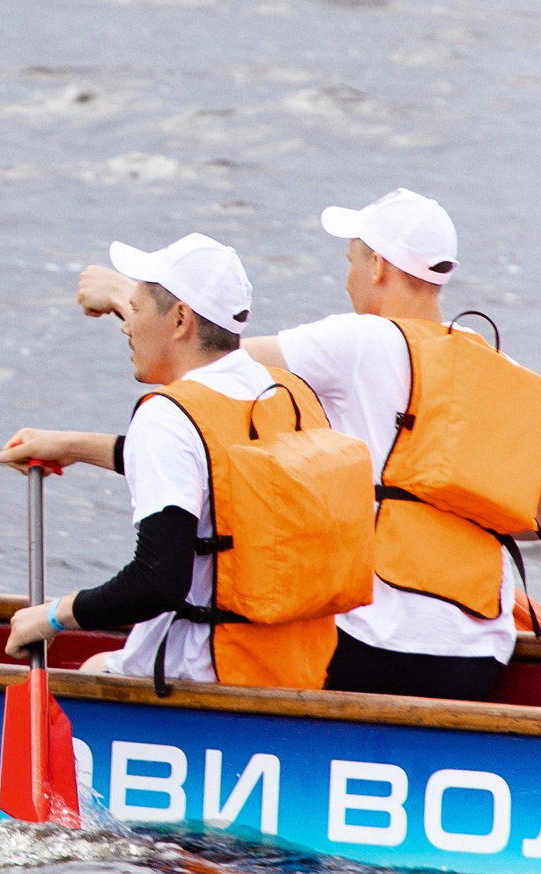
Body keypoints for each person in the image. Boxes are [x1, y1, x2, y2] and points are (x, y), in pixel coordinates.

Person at [0, 233, 374, 692]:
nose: (125, 326)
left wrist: (52, 617)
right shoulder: (288, 393)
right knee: (103, 658)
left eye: (134, 310)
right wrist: (74, 446)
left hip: (201, 675)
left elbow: (157, 582)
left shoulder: (168, 414)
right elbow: (215, 471)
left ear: (179, 319)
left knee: (93, 669)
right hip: (294, 672)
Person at [227, 190, 541, 701]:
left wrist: (134, 299)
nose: (347, 275)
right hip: (478, 645)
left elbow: (213, 362)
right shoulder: (496, 368)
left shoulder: (357, 341)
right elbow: (530, 521)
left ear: (377, 266)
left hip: (377, 637)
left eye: (351, 258)